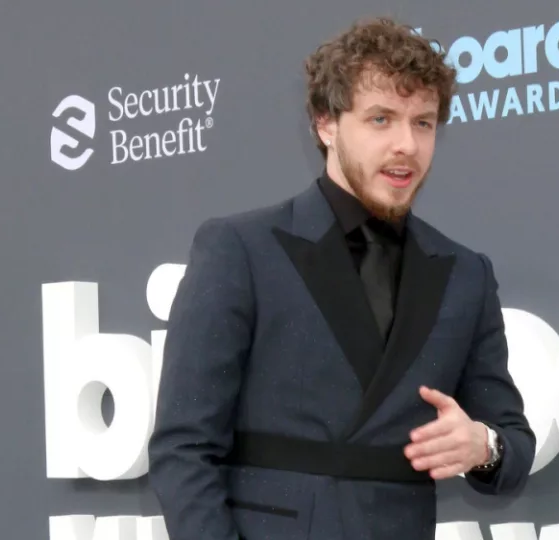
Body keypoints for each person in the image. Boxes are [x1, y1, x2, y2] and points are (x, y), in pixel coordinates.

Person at [148, 16, 536, 540]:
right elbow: (183, 449)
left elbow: (513, 445)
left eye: (423, 123)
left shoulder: (465, 274)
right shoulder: (241, 249)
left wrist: (480, 446)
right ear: (326, 124)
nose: (407, 145)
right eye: (381, 119)